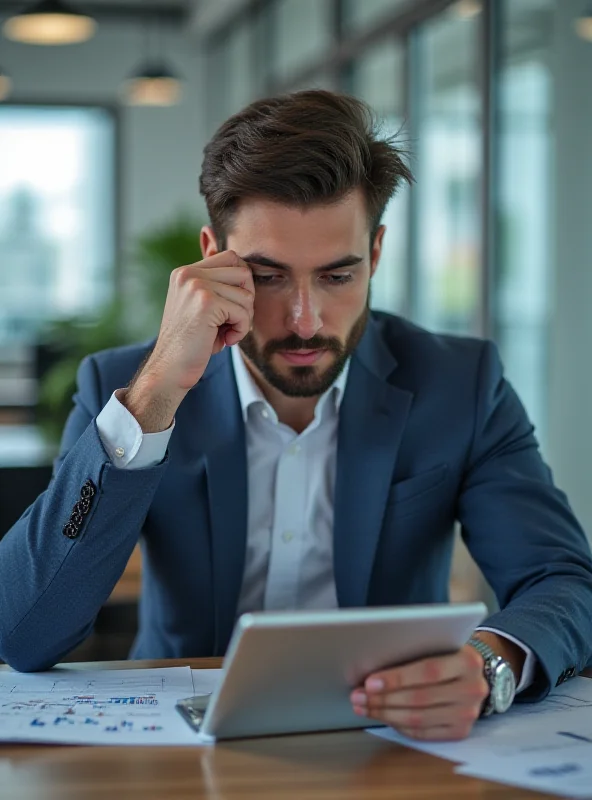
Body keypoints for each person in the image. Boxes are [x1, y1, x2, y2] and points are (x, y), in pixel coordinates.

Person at [1, 90, 591, 742]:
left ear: (378, 252)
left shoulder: (460, 384)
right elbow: (22, 632)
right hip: (179, 748)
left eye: (339, 276)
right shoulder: (125, 386)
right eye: (268, 277)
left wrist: (490, 665)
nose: (305, 321)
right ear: (210, 256)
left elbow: (562, 581)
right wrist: (156, 396)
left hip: (392, 746)